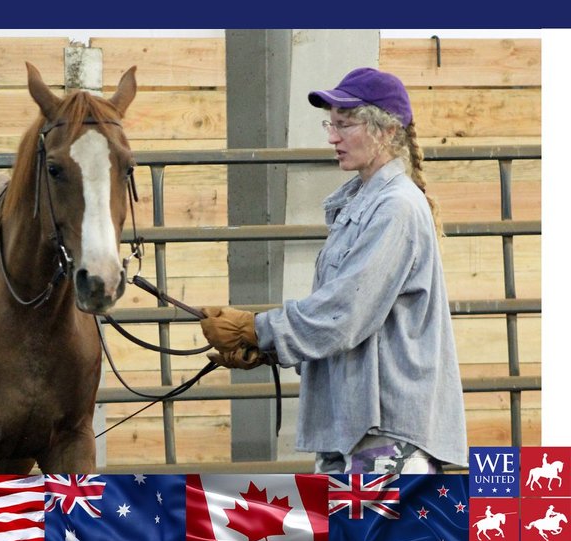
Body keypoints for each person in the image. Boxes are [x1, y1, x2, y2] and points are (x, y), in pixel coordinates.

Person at [200, 67, 467, 474]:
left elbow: (347, 312)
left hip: (386, 436)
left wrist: (256, 329)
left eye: (345, 125)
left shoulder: (395, 208)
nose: (332, 137)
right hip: (356, 427)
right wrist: (268, 348)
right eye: (332, 124)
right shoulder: (364, 203)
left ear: (386, 131)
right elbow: (339, 314)